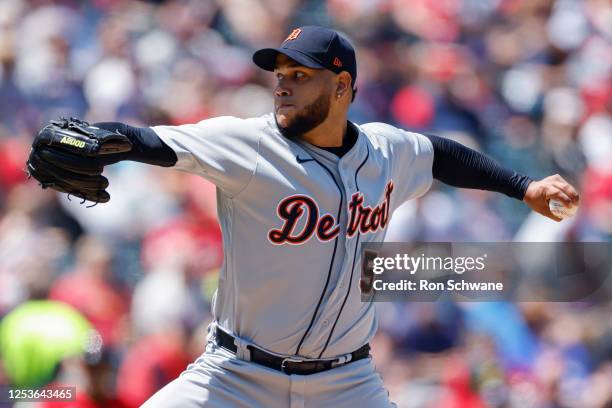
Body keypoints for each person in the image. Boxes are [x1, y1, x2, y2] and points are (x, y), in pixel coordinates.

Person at [30, 26, 579, 407]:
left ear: (342, 87)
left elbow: (443, 154)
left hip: (347, 383)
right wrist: (107, 139)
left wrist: (523, 185)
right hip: (236, 376)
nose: (284, 83)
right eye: (282, 71)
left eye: (302, 74)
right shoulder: (247, 143)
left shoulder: (387, 151)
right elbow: (153, 141)